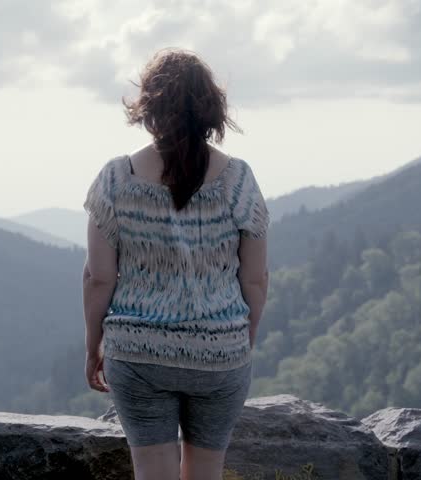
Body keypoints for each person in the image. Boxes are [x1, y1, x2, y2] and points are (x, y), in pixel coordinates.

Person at [81, 47, 269, 480]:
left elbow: (98, 278)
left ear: (149, 108)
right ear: (211, 109)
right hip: (221, 351)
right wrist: (242, 336)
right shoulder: (238, 180)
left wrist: (94, 345)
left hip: (138, 350)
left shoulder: (115, 179)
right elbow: (255, 278)